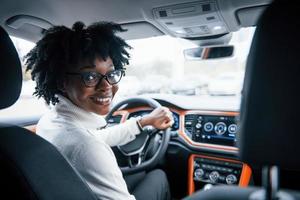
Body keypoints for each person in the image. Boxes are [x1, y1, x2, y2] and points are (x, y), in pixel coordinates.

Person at [25, 21, 173, 200]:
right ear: (62, 82)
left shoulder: (52, 120)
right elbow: (89, 144)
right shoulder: (86, 147)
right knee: (159, 176)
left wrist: (143, 122)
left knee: (143, 176)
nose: (107, 86)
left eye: (111, 74)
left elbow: (100, 137)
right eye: (90, 76)